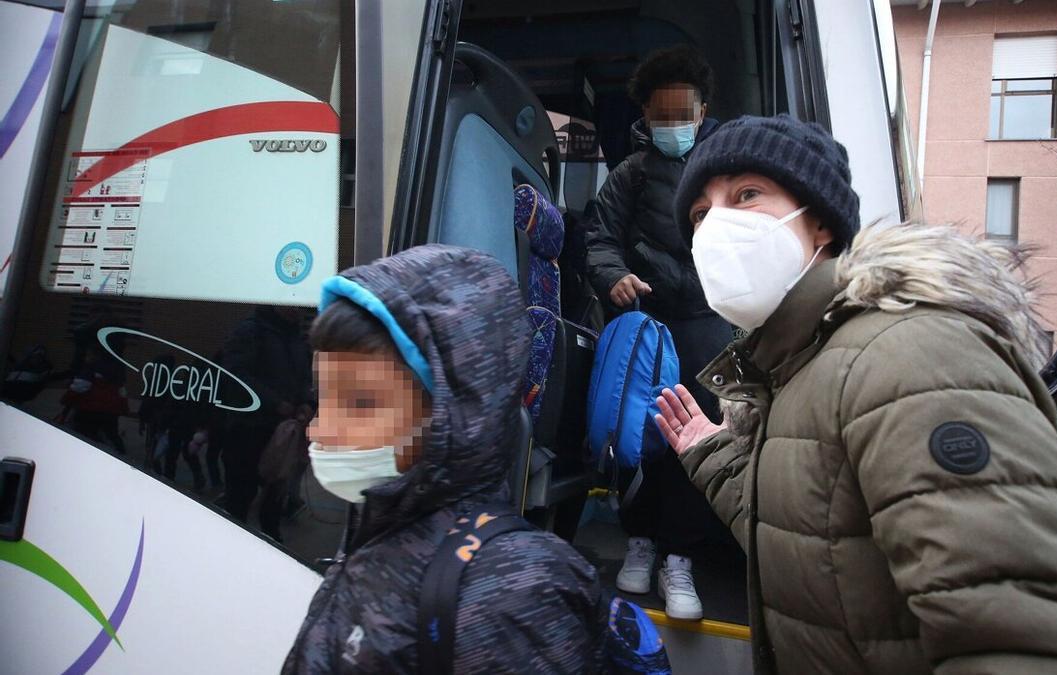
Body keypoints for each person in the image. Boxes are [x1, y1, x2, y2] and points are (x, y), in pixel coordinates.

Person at [655, 114, 1057, 673]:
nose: (716, 227)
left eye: (746, 195)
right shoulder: (796, 368)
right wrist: (715, 456)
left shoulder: (913, 353)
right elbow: (819, 544)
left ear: (819, 223)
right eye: (700, 215)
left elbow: (1035, 643)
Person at [283, 245, 604, 673]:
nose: (320, 430)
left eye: (361, 402)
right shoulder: (378, 529)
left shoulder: (509, 595)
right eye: (322, 399)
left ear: (454, 414)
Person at [584, 44, 730, 620]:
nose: (672, 126)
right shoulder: (630, 175)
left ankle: (680, 561)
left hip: (707, 331)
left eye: (682, 114)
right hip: (646, 331)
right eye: (659, 116)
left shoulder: (726, 175)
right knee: (633, 436)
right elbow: (597, 238)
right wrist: (614, 275)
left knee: (693, 442)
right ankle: (640, 541)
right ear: (644, 116)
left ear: (702, 111)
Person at [218, 305, 313, 524]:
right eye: (292, 303)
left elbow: (305, 379)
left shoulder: (295, 338)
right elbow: (235, 375)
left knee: (273, 501)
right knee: (240, 501)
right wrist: (275, 403)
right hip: (248, 431)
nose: (297, 309)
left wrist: (307, 404)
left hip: (282, 434)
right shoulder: (251, 331)